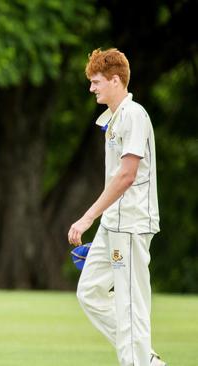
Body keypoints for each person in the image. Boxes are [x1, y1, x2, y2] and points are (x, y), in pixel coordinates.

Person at [68, 48, 166, 366]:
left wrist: (85, 219)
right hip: (114, 224)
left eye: (96, 82)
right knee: (91, 293)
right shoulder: (113, 118)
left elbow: (126, 176)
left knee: (129, 304)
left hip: (132, 224)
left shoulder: (133, 115)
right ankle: (145, 358)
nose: (92, 88)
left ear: (115, 80)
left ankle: (138, 361)